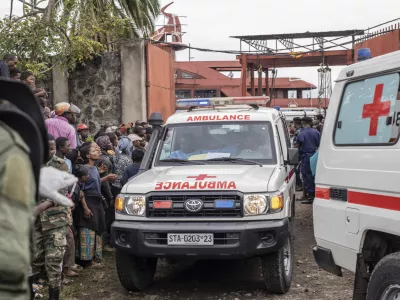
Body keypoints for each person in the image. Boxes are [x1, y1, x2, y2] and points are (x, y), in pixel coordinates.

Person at [32, 134, 70, 300]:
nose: (51, 151)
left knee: (53, 262)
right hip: (35, 223)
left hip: (56, 221)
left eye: (53, 148)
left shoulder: (60, 165)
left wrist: (40, 207)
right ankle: (36, 293)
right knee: (36, 261)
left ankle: (53, 297)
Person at [74, 143, 115, 267]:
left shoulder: (94, 168)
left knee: (96, 229)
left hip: (96, 201)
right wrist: (85, 207)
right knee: (88, 230)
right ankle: (87, 260)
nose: (97, 152)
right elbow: (81, 190)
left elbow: (95, 182)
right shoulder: (83, 169)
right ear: (88, 155)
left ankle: (95, 257)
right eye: (93, 150)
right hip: (88, 201)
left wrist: (106, 178)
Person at [295, 117, 320, 205]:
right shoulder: (316, 132)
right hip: (315, 155)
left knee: (307, 176)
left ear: (303, 123)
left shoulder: (301, 134)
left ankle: (311, 196)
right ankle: (314, 194)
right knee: (314, 175)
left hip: (306, 156)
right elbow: (319, 144)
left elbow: (297, 146)